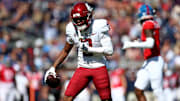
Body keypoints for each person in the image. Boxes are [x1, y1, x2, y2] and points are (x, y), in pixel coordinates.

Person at [44, 2, 113, 101]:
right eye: (77, 19)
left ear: (89, 16)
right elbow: (65, 50)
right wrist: (53, 67)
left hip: (99, 66)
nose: (79, 22)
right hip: (83, 67)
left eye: (81, 18)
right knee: (67, 98)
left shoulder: (99, 26)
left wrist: (90, 49)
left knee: (106, 99)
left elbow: (109, 50)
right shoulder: (71, 29)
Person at [122, 4, 165, 101]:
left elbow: (150, 43)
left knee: (158, 91)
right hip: (149, 61)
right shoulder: (152, 23)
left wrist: (131, 44)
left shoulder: (147, 23)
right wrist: (139, 43)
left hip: (154, 61)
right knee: (138, 89)